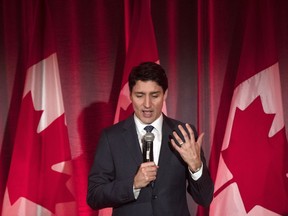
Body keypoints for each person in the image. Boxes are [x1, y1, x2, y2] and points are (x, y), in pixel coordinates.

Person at [87, 62, 214, 216]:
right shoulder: (111, 137)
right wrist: (133, 184)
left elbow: (205, 199)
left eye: (155, 95)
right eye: (140, 95)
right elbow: (94, 197)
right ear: (130, 94)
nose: (147, 104)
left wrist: (196, 167)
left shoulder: (184, 134)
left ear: (165, 94)